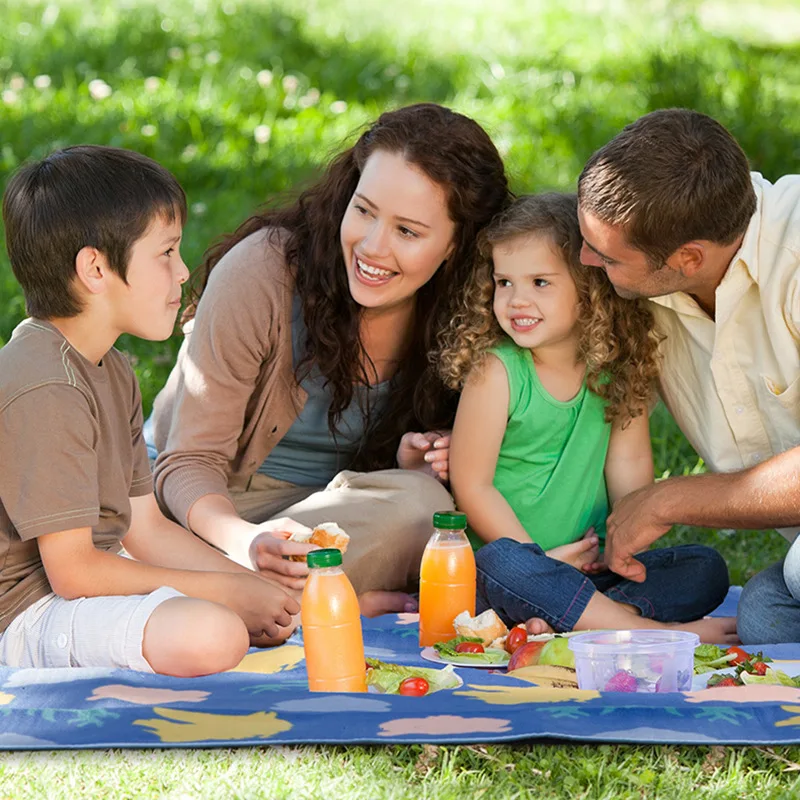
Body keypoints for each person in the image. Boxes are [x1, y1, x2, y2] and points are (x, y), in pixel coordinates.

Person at [149, 103, 512, 616]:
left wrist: (416, 462)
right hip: (206, 509)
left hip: (332, 521)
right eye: (363, 210)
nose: (371, 246)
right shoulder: (263, 274)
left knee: (424, 507)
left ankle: (258, 601)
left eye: (407, 231)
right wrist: (245, 543)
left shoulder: (475, 312)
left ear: (458, 244)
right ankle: (326, 602)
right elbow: (186, 462)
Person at [0, 145, 300, 675]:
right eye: (166, 253)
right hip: (24, 612)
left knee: (234, 607)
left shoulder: (110, 369)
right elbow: (72, 572)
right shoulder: (46, 385)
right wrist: (227, 594)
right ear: (95, 267)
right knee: (213, 631)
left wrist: (247, 585)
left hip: (89, 582)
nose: (183, 272)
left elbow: (146, 527)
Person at [440, 193, 735, 642]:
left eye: (540, 282)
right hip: (514, 574)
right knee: (501, 562)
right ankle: (650, 632)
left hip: (591, 570)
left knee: (704, 567)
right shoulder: (496, 371)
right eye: (504, 283)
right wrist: (540, 559)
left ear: (589, 289)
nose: (517, 300)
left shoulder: (616, 368)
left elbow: (629, 468)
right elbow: (472, 486)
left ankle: (595, 618)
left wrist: (625, 549)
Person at [577, 107, 800, 644]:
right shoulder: (649, 280)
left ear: (688, 258)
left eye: (607, 257)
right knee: (766, 619)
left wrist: (666, 499)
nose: (584, 259)